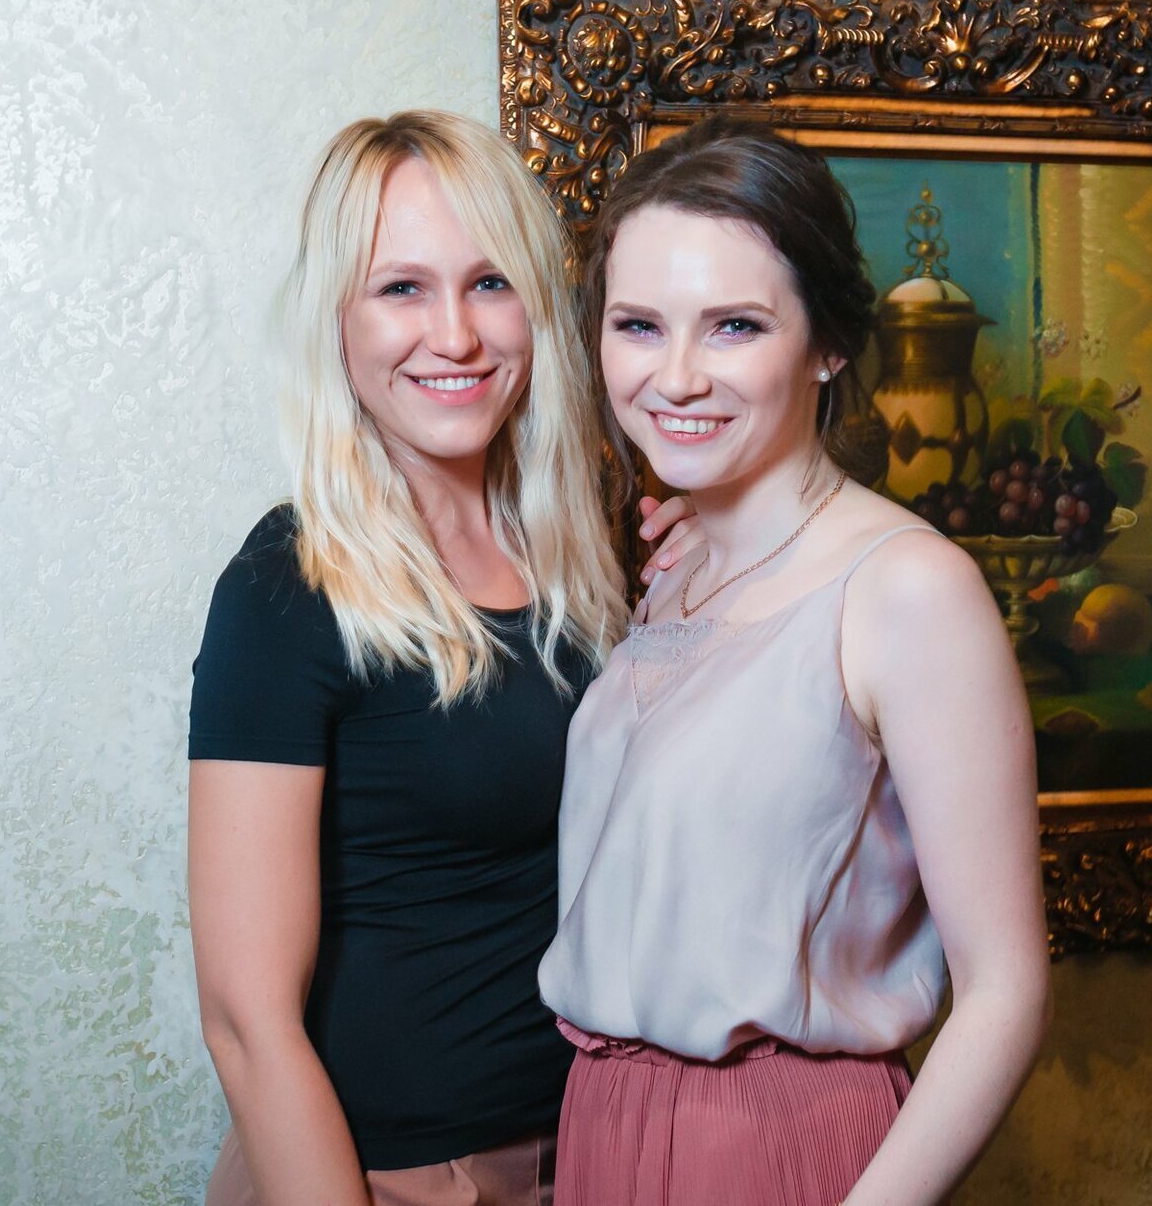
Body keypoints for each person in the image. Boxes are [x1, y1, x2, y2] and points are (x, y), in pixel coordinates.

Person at [187, 110, 700, 1206]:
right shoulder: (290, 585)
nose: (456, 336)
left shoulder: (592, 555)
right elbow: (244, 1019)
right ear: (338, 319)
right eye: (402, 289)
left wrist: (723, 551)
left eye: (489, 283)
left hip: (595, 1149)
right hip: (391, 1176)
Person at [539, 117, 1052, 1206]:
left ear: (828, 345)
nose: (676, 376)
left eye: (734, 326)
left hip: (771, 1146)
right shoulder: (677, 564)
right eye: (638, 325)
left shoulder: (908, 589)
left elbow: (1005, 991)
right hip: (601, 1128)